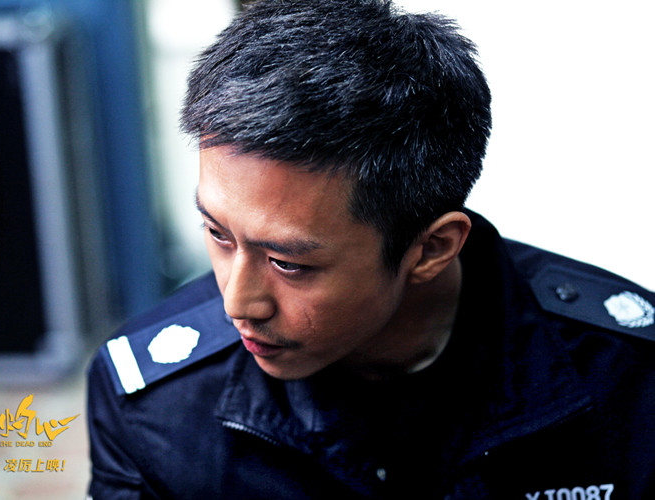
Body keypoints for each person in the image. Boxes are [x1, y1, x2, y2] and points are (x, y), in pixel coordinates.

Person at [86, 0, 655, 498]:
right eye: (218, 234)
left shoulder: (627, 380)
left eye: (288, 263)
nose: (238, 302)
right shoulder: (154, 409)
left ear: (431, 249)